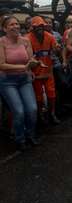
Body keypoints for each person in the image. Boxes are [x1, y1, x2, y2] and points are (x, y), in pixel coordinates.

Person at [0, 16, 40, 151]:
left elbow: (31, 59)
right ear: (4, 28)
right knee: (19, 111)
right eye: (11, 24)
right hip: (7, 82)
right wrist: (23, 67)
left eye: (17, 24)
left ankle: (30, 134)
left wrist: (36, 63)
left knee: (32, 109)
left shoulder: (25, 41)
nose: (15, 26)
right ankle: (20, 138)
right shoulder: (1, 42)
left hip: (24, 80)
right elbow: (1, 65)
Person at [26, 16, 61, 124]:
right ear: (32, 27)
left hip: (48, 71)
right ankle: (40, 115)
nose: (40, 28)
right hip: (35, 73)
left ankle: (52, 114)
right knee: (38, 96)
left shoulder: (50, 37)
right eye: (37, 26)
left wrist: (57, 49)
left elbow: (56, 51)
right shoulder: (27, 38)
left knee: (52, 94)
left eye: (41, 26)